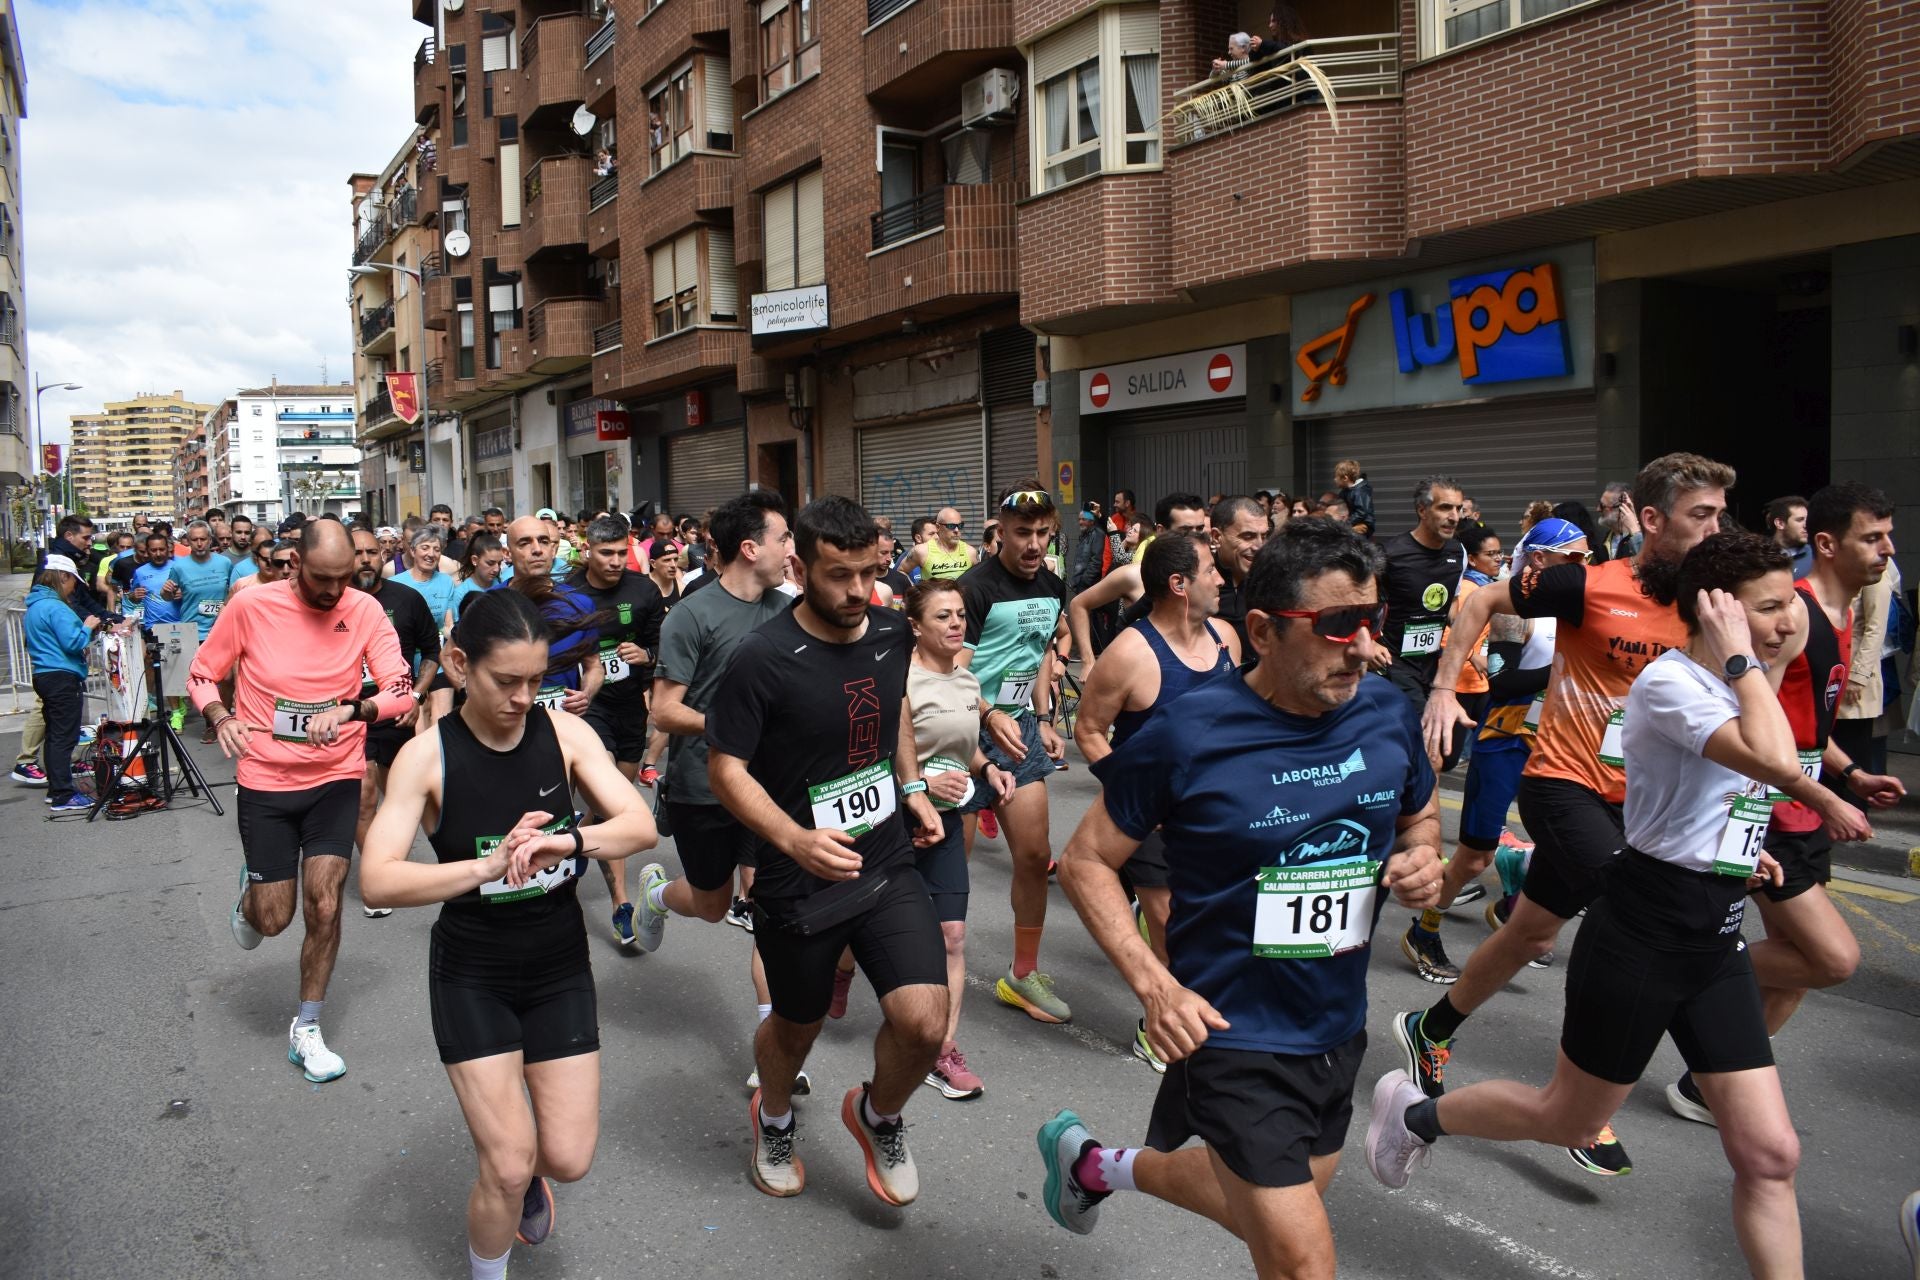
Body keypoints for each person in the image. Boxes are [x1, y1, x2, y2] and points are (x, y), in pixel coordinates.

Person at [1369, 532, 1812, 1279]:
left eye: (1789, 603)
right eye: (1769, 608)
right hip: (1640, 935)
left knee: (1772, 1156)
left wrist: (1745, 842)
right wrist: (1745, 659)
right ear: (1720, 614)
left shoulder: (1745, 680)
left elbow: (1742, 785)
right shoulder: (1677, 683)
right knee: (1565, 1118)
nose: (1785, 622)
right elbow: (1772, 759)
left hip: (1716, 938)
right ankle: (1414, 1114)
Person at [1036, 518, 1443, 1276]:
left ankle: (1095, 1167)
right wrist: (1154, 987)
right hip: (1229, 1031)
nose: (1362, 648)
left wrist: (1425, 855)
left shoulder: (1385, 711)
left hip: (1334, 1021)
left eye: (1372, 621)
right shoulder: (1187, 733)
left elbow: (1419, 810)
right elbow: (1087, 860)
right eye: (1336, 625)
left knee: (1279, 1207)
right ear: (1262, 630)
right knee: (1301, 1261)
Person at [1399, 452, 1736, 1178]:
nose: (1716, 528)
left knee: (1529, 932)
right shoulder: (1589, 584)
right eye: (1700, 515)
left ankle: (1430, 1027)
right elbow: (1484, 601)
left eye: (1719, 514)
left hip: (1641, 806)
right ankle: (1583, 1105)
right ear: (1651, 520)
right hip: (1562, 784)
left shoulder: (1711, 605)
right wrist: (1441, 688)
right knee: (1631, 914)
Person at [360, 588, 659, 1280]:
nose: (526, 697)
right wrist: (487, 866)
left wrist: (570, 843)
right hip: (474, 971)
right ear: (460, 664)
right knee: (504, 1163)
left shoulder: (565, 734)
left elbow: (638, 825)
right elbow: (377, 879)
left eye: (537, 679)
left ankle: (529, 1173)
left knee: (568, 1158)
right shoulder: (427, 757)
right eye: (508, 681)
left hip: (558, 963)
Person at [703, 496, 946, 1204]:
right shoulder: (764, 658)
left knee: (925, 1021)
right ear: (799, 567)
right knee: (796, 1028)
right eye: (838, 576)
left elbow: (893, 704)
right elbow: (726, 768)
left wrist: (913, 787)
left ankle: (878, 1115)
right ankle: (773, 1117)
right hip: (795, 877)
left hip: (884, 857)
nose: (856, 592)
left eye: (867, 573)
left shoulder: (894, 632)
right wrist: (794, 839)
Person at [1664, 482, 1905, 1124]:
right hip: (1766, 811)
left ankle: (1707, 1082)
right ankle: (1676, 973)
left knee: (1796, 969)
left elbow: (1806, 726)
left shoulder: (1841, 614)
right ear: (1827, 544)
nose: (1887, 549)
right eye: (1871, 537)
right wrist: (1822, 797)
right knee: (1832, 959)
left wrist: (1848, 773)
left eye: (1888, 535)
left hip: (1802, 807)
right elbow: (1755, 721)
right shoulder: (1789, 614)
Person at [188, 521, 416, 1085]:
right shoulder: (250, 606)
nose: (335, 591)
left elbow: (400, 690)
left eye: (345, 578)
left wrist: (353, 711)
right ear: (294, 562)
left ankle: (307, 1027)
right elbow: (201, 672)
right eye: (323, 579)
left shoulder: (363, 610)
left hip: (336, 777)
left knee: (325, 904)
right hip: (266, 780)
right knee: (273, 917)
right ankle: (251, 896)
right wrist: (219, 716)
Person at [630, 493, 794, 1085]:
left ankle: (775, 1047)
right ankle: (655, 896)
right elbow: (666, 710)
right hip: (703, 785)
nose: (790, 550)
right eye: (783, 539)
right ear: (751, 548)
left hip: (771, 787)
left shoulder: (788, 610)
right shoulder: (691, 616)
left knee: (770, 907)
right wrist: (731, 727)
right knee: (712, 904)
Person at [1070, 531, 1240, 1070]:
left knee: (1210, 918)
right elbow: (1090, 729)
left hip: (1217, 811)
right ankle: (1159, 1022)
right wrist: (1135, 797)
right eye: (1210, 569)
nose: (1219, 578)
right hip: (1154, 816)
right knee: (1167, 916)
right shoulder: (1130, 653)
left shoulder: (1228, 640)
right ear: (1178, 584)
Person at [1412, 517, 1588, 983]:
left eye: (1585, 559)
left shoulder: (1582, 605)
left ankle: (1513, 908)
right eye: (1571, 559)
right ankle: (1424, 929)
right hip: (1505, 739)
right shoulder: (1515, 608)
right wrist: (1565, 670)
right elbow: (1505, 680)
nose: (1581, 569)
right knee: (1473, 857)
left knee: (1565, 842)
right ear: (1538, 559)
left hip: (1556, 744)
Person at [957, 483, 1073, 1024]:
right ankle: (932, 971)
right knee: (947, 869)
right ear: (998, 532)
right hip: (961, 730)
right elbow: (953, 671)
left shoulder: (1053, 582)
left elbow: (1041, 654)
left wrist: (1044, 718)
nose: (1032, 543)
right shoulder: (973, 589)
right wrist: (987, 714)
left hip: (1020, 727)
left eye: (1041, 533)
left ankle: (1022, 975)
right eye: (1021, 533)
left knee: (1032, 855)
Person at [903, 580, 1016, 1099]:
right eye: (943, 616)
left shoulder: (968, 683)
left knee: (951, 936)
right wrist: (920, 785)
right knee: (861, 935)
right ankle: (841, 967)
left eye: (960, 616)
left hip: (947, 821)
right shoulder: (899, 682)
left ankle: (940, 1050)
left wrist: (988, 767)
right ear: (916, 627)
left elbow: (963, 744)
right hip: (893, 823)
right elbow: (873, 756)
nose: (955, 624)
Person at [568, 515, 673, 946]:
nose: (614, 561)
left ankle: (565, 844)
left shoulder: (643, 590)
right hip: (588, 709)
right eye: (605, 553)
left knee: (609, 803)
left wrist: (645, 655)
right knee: (614, 800)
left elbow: (663, 645)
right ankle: (621, 903)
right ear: (588, 550)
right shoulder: (568, 593)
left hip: (631, 707)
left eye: (620, 553)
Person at [346, 528, 442, 919]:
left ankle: (426, 864)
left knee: (402, 795)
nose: (367, 559)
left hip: (396, 711)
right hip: (350, 713)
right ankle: (377, 881)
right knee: (365, 794)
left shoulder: (406, 598)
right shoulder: (333, 601)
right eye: (358, 553)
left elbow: (432, 651)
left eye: (374, 551)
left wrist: (417, 696)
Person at [1370, 476, 1466, 726]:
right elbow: (1364, 606)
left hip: (1433, 663)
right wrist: (1369, 642)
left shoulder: (1457, 552)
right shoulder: (1391, 554)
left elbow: (1451, 609)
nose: (1454, 517)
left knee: (1449, 748)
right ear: (1422, 510)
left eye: (1458, 508)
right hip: (1395, 662)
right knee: (1425, 732)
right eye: (1445, 507)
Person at [24, 555, 104, 813]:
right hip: (61, 677)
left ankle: (57, 790)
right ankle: (62, 794)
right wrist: (88, 626)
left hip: (45, 674)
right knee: (63, 736)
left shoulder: (35, 606)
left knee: (55, 735)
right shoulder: (55, 607)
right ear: (63, 577)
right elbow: (73, 642)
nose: (74, 588)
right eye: (73, 582)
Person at [504, 517, 604, 715]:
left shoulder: (580, 604)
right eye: (525, 543)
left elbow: (594, 667)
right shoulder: (490, 602)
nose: (537, 549)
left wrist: (585, 694)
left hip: (563, 724)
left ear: (553, 549)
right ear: (507, 553)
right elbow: (452, 658)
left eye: (543, 541)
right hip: (505, 726)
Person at [633, 540, 683, 787]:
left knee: (666, 712)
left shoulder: (682, 586)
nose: (673, 565)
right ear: (653, 563)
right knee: (641, 718)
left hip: (671, 659)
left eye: (675, 560)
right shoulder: (643, 588)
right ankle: (627, 762)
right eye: (667, 561)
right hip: (644, 659)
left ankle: (649, 765)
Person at [896, 507, 977, 582]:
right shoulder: (921, 551)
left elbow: (981, 578)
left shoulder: (971, 552)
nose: (956, 530)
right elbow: (901, 571)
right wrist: (914, 590)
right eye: (951, 526)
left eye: (960, 525)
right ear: (938, 527)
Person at [448, 533, 506, 631]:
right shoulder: (461, 593)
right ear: (475, 560)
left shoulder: (503, 586)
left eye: (499, 563)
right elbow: (458, 629)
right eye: (490, 563)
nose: (496, 569)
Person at [1766, 495, 1814, 579]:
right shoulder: (1760, 556)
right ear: (1780, 523)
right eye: (1800, 520)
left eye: (1807, 520)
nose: (1806, 525)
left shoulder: (1815, 556)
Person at [1597, 481, 1641, 562]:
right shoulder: (1604, 540)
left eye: (1602, 506)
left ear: (1622, 508)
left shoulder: (1643, 538)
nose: (1598, 509)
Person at [1333, 459, 1375, 537]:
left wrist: (1346, 524)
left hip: (1363, 524)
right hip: (1352, 523)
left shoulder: (1360, 492)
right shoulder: (1345, 491)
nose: (1335, 479)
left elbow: (1361, 512)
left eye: (1336, 477)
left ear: (1345, 478)